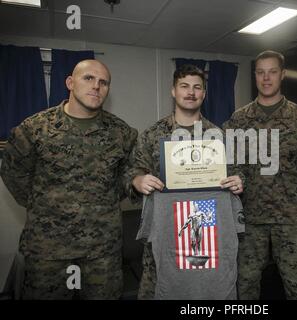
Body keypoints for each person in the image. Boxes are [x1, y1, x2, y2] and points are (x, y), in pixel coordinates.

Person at [0, 59, 138, 299]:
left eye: (103, 82)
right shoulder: (34, 129)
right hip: (48, 252)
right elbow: (14, 174)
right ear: (70, 83)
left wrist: (101, 202)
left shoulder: (122, 133)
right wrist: (46, 204)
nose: (96, 86)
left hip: (102, 251)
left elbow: (128, 176)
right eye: (89, 78)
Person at [126, 64, 244, 299]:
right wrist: (138, 181)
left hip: (209, 228)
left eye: (197, 87)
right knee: (159, 286)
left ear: (204, 94)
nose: (191, 92)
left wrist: (239, 181)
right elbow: (132, 172)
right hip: (165, 229)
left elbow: (237, 171)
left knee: (210, 288)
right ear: (173, 91)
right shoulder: (153, 134)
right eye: (184, 86)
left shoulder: (218, 136)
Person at [223, 50, 297, 299]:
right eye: (260, 72)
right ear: (255, 76)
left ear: (283, 75)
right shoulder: (239, 119)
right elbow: (230, 161)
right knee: (246, 283)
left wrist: (288, 184)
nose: (266, 78)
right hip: (250, 216)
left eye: (272, 72)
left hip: (289, 217)